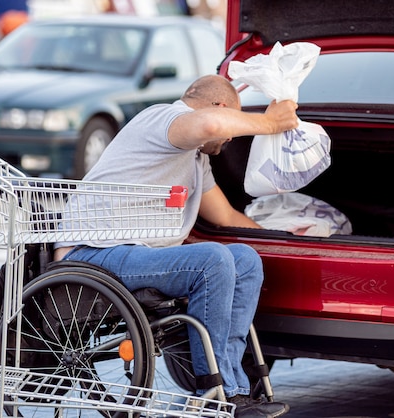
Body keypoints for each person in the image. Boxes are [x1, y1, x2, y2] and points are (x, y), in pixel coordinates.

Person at [54, 74, 298, 417]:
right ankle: (215, 389)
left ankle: (237, 388)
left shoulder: (196, 160)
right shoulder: (162, 118)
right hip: (93, 252)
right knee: (210, 260)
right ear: (221, 107)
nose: (229, 136)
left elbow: (226, 215)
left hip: (133, 254)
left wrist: (286, 238)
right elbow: (211, 123)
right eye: (233, 121)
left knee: (244, 259)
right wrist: (269, 123)